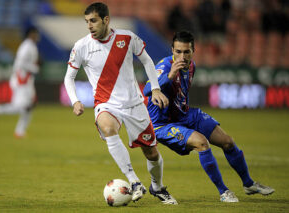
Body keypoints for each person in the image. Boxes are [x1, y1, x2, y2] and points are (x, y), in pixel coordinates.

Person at [64, 2, 177, 205]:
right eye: (86, 21)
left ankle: (158, 187)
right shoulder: (81, 46)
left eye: (93, 20)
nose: (89, 25)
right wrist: (75, 101)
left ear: (106, 20)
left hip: (134, 104)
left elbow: (147, 61)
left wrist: (156, 88)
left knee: (151, 152)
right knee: (108, 127)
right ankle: (134, 181)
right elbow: (69, 77)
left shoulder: (127, 37)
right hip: (106, 103)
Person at [143, 31, 275, 202]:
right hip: (163, 123)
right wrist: (169, 76)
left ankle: (249, 184)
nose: (182, 56)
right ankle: (224, 192)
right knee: (202, 143)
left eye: (186, 52)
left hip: (185, 114)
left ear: (193, 51)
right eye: (178, 52)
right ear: (172, 50)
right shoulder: (164, 67)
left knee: (227, 141)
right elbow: (148, 90)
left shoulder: (192, 67)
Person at [0, 27, 40, 138]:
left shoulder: (30, 46)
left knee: (30, 106)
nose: (38, 37)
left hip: (27, 80)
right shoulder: (26, 46)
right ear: (31, 34)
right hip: (22, 81)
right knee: (19, 107)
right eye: (36, 34)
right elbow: (20, 63)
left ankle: (20, 131)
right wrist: (34, 68)